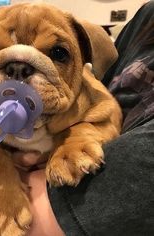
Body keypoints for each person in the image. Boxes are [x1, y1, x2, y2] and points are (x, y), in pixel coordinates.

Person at [12, 1, 154, 235]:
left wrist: (75, 138)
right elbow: (99, 89)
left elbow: (32, 224)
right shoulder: (147, 15)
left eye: (58, 53)